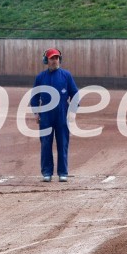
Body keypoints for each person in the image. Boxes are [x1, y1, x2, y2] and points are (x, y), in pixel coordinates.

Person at [30, 48, 79, 182]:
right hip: (46, 114)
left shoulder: (66, 75)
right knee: (46, 143)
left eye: (57, 58)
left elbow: (75, 94)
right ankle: (47, 172)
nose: (55, 61)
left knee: (62, 143)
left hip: (62, 112)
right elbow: (34, 97)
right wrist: (36, 112)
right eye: (52, 58)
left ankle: (63, 172)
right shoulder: (40, 77)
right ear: (46, 60)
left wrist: (73, 111)